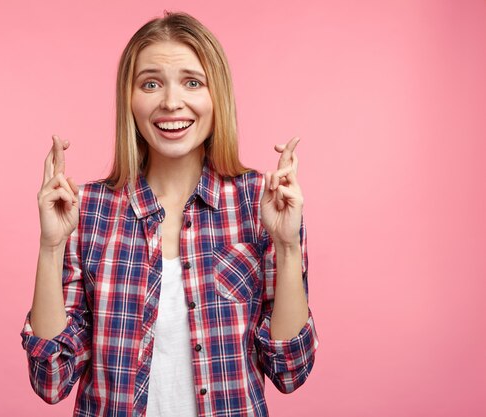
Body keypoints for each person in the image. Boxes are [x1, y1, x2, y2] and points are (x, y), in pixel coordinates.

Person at [20, 11, 318, 417]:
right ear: (130, 97)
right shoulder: (84, 209)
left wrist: (286, 246)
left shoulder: (261, 203)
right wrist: (50, 247)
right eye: (151, 83)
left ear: (217, 97)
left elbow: (290, 370)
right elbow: (51, 379)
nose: (171, 102)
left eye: (192, 82)